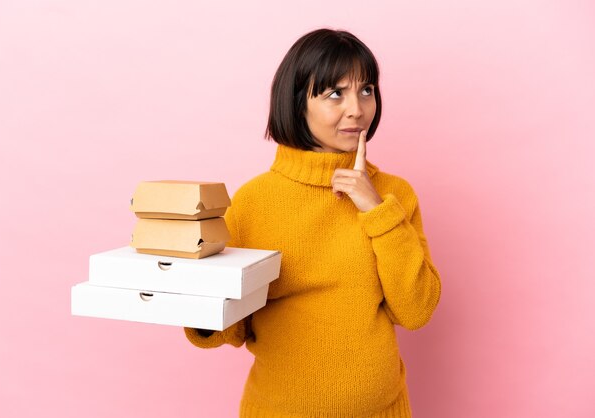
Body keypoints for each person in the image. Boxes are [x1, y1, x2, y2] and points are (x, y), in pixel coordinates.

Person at [184, 28, 441, 418]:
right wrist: (189, 297)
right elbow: (229, 328)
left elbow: (416, 310)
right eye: (335, 93)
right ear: (296, 102)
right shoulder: (254, 201)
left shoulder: (393, 195)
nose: (357, 109)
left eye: (366, 90)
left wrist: (377, 211)